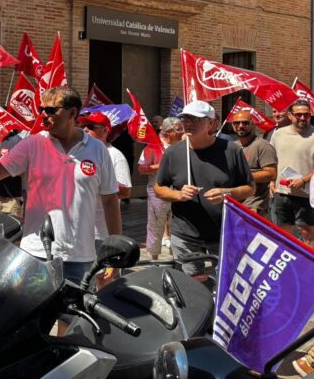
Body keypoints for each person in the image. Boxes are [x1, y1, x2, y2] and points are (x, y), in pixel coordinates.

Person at [0, 86, 121, 284]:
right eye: (41, 110)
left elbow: (110, 201)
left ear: (73, 113)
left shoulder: (97, 149)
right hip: (35, 254)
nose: (43, 116)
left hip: (80, 259)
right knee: (33, 314)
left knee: (73, 316)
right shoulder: (32, 144)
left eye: (50, 110)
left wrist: (116, 250)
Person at [154, 101, 254, 275]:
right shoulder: (173, 152)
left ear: (212, 123)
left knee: (225, 281)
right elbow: (159, 188)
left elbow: (250, 187)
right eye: (185, 118)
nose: (188, 123)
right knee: (192, 285)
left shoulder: (231, 150)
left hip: (224, 233)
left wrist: (227, 193)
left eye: (195, 119)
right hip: (185, 234)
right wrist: (177, 194)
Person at [78, 112, 131, 249]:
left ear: (106, 130)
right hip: (79, 230)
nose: (85, 129)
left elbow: (126, 191)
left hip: (101, 232)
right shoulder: (81, 152)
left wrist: (101, 184)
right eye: (84, 126)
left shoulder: (115, 155)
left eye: (90, 127)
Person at [138, 117, 183, 259]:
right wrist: (162, 165)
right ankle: (154, 259)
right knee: (156, 226)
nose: (182, 132)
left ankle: (179, 257)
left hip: (178, 191)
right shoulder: (152, 147)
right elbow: (141, 169)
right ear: (168, 131)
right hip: (157, 191)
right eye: (179, 129)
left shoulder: (183, 147)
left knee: (180, 226)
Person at [270, 99, 314, 242]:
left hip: (307, 195)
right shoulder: (278, 134)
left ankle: (309, 264)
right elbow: (272, 161)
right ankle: (287, 264)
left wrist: (304, 180)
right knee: (283, 235)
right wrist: (271, 181)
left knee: (308, 234)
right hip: (281, 193)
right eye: (299, 114)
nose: (303, 118)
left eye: (306, 115)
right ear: (290, 115)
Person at [230, 109, 277, 218]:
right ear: (232, 125)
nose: (241, 126)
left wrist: (243, 175)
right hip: (234, 201)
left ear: (252, 124)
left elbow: (271, 174)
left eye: (245, 123)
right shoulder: (232, 146)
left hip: (253, 205)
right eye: (237, 123)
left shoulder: (262, 146)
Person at [0, 130, 26, 220]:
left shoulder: (18, 141)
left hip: (12, 200)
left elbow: (23, 172)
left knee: (11, 232)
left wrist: (1, 168)